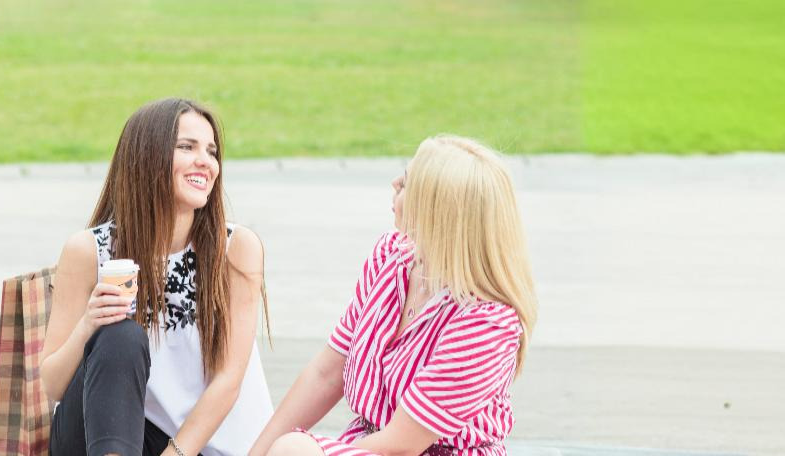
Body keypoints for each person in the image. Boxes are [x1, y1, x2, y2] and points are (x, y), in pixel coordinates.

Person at [249, 135, 537, 456]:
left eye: (408, 182)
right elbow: (326, 374)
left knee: (295, 451)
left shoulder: (486, 322)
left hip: (415, 450)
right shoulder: (390, 256)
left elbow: (400, 446)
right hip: (370, 445)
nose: (395, 183)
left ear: (437, 209)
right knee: (288, 449)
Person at [41, 98, 273, 456]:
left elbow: (228, 380)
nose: (205, 162)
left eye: (211, 151)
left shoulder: (236, 249)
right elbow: (54, 386)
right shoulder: (89, 251)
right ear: (146, 156)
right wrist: (88, 324)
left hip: (197, 445)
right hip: (106, 435)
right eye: (186, 147)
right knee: (119, 335)